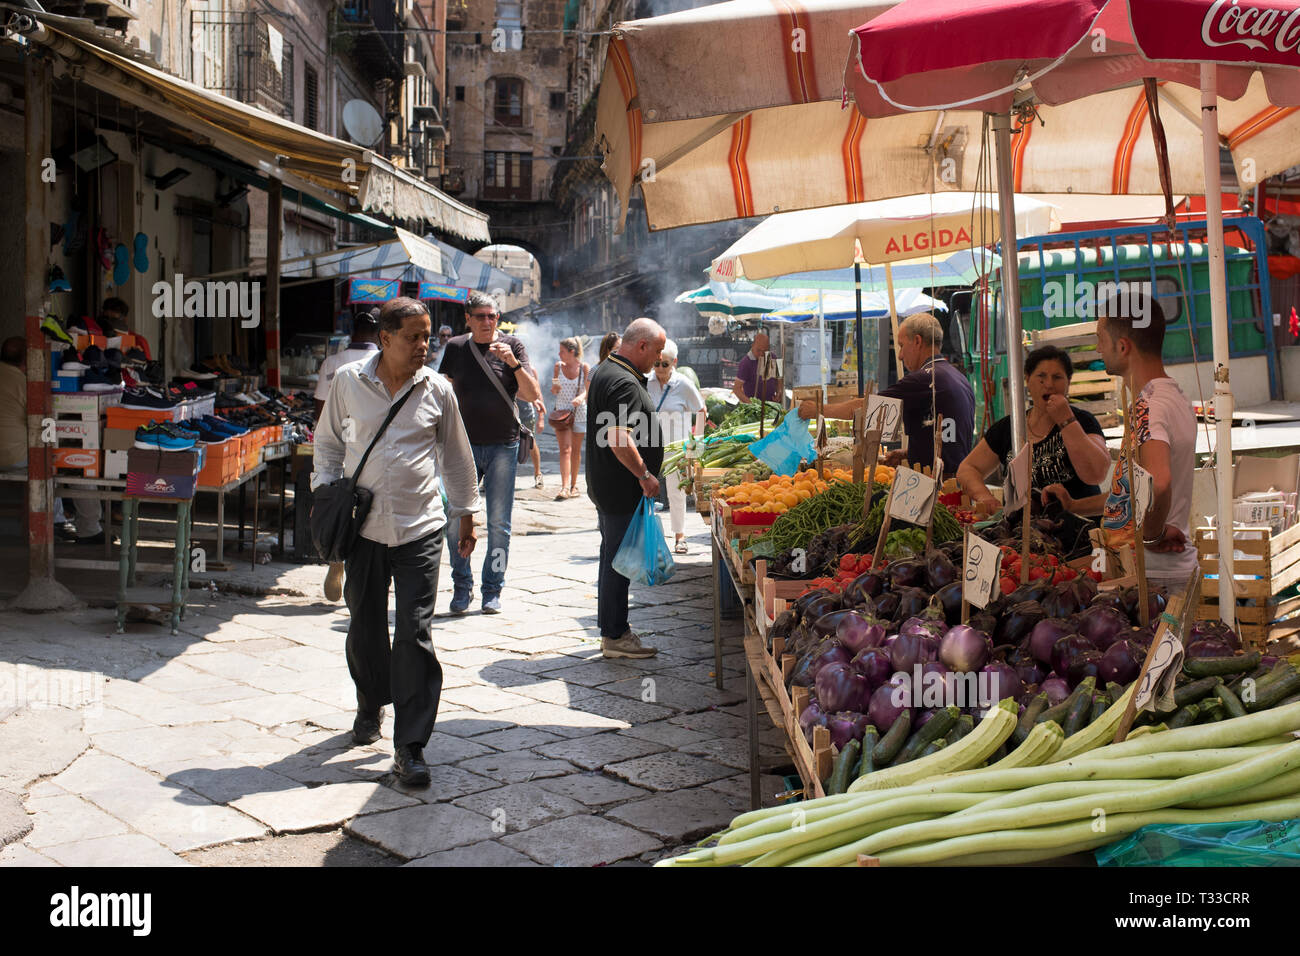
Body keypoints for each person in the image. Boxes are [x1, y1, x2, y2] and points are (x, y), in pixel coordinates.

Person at [312, 297, 480, 787]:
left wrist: (467, 516)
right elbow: (327, 443)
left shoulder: (438, 389)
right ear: (384, 338)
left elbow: (456, 456)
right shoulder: (348, 383)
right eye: (414, 337)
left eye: (428, 336)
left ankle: (410, 744)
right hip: (363, 530)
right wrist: (325, 491)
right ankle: (370, 702)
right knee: (365, 627)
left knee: (414, 632)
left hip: (421, 527)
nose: (424, 346)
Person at [436, 291, 541, 614]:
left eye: (492, 316)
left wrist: (512, 362)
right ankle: (461, 586)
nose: (486, 322)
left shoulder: (514, 346)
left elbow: (531, 393)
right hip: (462, 447)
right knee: (455, 519)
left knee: (499, 523)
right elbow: (444, 390)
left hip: (502, 445)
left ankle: (492, 589)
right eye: (480, 316)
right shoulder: (455, 347)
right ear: (467, 319)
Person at [1096, 294, 1198, 590]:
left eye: (1100, 338)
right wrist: (1075, 504)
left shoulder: (1150, 405)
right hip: (1161, 573)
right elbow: (1133, 493)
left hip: (1154, 577)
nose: (1098, 348)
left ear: (1123, 346)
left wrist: (1151, 536)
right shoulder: (1172, 395)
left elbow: (1160, 482)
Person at [800, 313, 974, 476]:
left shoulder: (923, 379)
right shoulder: (959, 378)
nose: (899, 356)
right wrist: (908, 453)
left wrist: (818, 409)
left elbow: (865, 408)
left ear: (918, 341)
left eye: (901, 346)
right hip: (957, 478)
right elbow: (948, 437)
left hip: (937, 483)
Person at [586, 317, 667, 659]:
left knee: (612, 559)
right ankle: (616, 635)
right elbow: (618, 438)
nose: (659, 361)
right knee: (619, 563)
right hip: (620, 487)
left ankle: (613, 630)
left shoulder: (607, 370)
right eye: (657, 352)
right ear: (642, 346)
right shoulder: (625, 382)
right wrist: (644, 474)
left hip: (606, 484)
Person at [956, 345, 1111, 515]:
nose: (1049, 384)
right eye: (1041, 377)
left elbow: (1096, 474)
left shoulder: (1082, 421)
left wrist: (1066, 420)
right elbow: (967, 469)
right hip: (1019, 534)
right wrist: (985, 497)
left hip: (1078, 532)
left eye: (1057, 377)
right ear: (1028, 380)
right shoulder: (1010, 427)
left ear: (1068, 382)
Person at [313, 312, 382, 601]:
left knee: (340, 506)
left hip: (338, 443)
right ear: (381, 334)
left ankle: (337, 558)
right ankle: (358, 567)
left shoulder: (332, 363)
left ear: (352, 331)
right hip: (369, 450)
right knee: (368, 511)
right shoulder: (384, 364)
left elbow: (320, 413)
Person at [647, 339, 706, 554]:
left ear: (675, 362)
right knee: (645, 490)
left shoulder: (683, 384)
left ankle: (680, 536)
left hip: (676, 447)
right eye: (657, 364)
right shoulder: (646, 382)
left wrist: (696, 445)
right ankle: (647, 536)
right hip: (650, 444)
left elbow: (701, 410)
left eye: (665, 364)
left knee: (676, 492)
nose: (660, 368)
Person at [550, 337, 591, 500]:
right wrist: (555, 387)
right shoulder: (557, 367)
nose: (559, 354)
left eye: (562, 351)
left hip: (579, 412)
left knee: (575, 450)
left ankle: (574, 486)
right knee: (565, 449)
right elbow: (554, 389)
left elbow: (588, 390)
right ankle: (564, 487)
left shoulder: (584, 368)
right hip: (562, 413)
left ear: (572, 352)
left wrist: (581, 398)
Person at [733, 331, 780, 402]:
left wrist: (779, 392)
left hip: (771, 404)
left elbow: (779, 379)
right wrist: (751, 404)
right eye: (758, 350)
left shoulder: (773, 357)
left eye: (764, 351)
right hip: (754, 406)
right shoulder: (745, 362)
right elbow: (736, 389)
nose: (761, 354)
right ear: (752, 345)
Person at [518, 367, 545, 489]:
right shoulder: (504, 365)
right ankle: (489, 477)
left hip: (526, 412)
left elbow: (537, 393)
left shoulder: (531, 369)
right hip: (508, 411)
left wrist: (541, 418)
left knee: (531, 442)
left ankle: (538, 473)